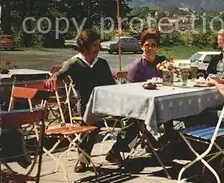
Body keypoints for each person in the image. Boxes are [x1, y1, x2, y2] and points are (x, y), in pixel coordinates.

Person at [46, 29, 116, 173]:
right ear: (85, 47)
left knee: (132, 119)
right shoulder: (74, 63)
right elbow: (58, 75)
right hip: (84, 103)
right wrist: (53, 78)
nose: (99, 48)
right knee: (92, 125)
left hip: (104, 103)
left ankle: (114, 152)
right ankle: (83, 160)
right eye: (95, 45)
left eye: (99, 45)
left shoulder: (102, 63)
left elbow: (112, 85)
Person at [106, 29, 174, 164]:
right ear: (142, 46)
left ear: (157, 47)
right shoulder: (137, 66)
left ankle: (166, 144)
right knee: (135, 121)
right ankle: (116, 151)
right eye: (147, 45)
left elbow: (170, 81)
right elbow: (130, 93)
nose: (150, 48)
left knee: (173, 112)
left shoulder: (163, 62)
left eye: (153, 45)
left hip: (159, 103)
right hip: (138, 106)